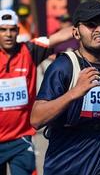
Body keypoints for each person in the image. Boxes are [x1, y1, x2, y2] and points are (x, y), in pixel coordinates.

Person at [30, 0, 100, 175]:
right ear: (76, 33)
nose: (99, 29)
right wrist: (73, 93)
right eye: (91, 25)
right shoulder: (63, 66)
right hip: (66, 163)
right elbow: (36, 119)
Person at [0, 9, 76, 175]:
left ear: (18, 31)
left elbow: (60, 36)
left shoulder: (29, 50)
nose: (8, 34)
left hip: (21, 140)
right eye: (3, 29)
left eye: (12, 29)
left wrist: (87, 20)